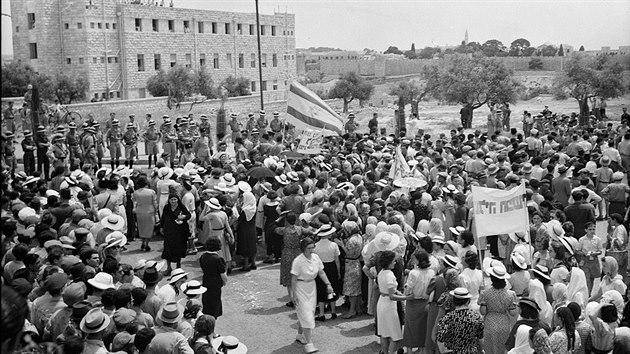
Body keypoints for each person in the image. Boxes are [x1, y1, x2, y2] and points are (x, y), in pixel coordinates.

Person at [291, 237, 335, 354]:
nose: (311, 250)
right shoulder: (298, 261)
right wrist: (294, 295)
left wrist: (328, 284)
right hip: (300, 287)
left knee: (308, 312)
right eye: (309, 248)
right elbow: (293, 279)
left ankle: (300, 335)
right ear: (303, 249)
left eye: (312, 247)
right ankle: (309, 343)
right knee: (306, 315)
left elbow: (321, 272)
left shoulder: (316, 258)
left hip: (312, 287)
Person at [479, 266, 518, 354]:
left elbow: (483, 312)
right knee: (502, 348)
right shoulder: (510, 294)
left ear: (492, 279)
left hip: (490, 322)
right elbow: (513, 313)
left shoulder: (485, 293)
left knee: (490, 348)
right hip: (504, 323)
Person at [435, 287, 485, 354]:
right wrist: (482, 350)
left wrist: (443, 351)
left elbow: (440, 337)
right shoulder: (476, 316)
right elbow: (481, 337)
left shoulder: (448, 317)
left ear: (454, 301)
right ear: (468, 301)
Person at [402, 250, 434, 353]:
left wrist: (405, 289)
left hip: (413, 302)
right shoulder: (431, 272)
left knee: (410, 328)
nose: (412, 260)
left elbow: (408, 290)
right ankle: (422, 349)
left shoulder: (413, 273)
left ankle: (410, 351)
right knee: (423, 328)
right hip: (425, 302)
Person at [159, 193, 191, 275]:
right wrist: (161, 227)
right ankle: (169, 267)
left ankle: (178, 267)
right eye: (171, 199)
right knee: (168, 249)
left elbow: (188, 215)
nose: (173, 201)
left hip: (179, 231)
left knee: (178, 249)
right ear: (169, 200)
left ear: (178, 200)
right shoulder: (167, 207)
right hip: (169, 231)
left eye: (175, 199)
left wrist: (183, 217)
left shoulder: (181, 207)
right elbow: (163, 218)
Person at [199, 237, 227, 319]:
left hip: (206, 281)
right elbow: (223, 274)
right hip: (215, 284)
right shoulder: (218, 259)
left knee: (207, 302)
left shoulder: (203, 256)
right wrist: (224, 282)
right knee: (215, 303)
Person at [236, 181, 257, 271]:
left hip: (244, 230)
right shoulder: (253, 207)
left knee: (245, 247)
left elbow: (239, 220)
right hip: (252, 229)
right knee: (252, 246)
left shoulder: (245, 210)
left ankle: (246, 265)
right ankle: (253, 263)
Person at [133, 175, 158, 252]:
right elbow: (154, 203)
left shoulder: (135, 193)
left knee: (142, 228)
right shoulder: (151, 192)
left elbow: (135, 202)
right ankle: (146, 244)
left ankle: (143, 242)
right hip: (149, 211)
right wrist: (156, 211)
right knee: (149, 229)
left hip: (140, 211)